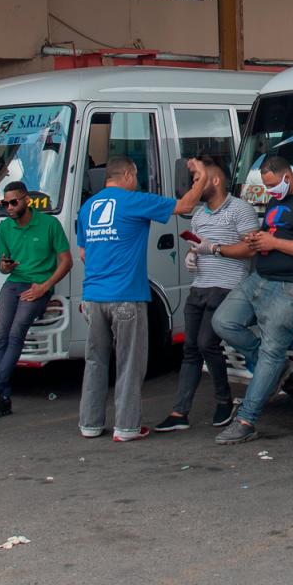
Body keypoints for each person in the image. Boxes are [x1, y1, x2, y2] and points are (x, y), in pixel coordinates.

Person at [74, 156, 209, 443]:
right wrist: (201, 179)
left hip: (94, 297)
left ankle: (90, 424)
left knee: (95, 361)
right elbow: (184, 206)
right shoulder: (132, 200)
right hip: (125, 294)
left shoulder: (88, 207)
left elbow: (84, 252)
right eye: (135, 176)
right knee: (129, 362)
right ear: (128, 175)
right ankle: (126, 427)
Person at [212, 155, 293, 446]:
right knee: (223, 322)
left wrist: (274, 242)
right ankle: (274, 368)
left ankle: (246, 420)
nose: (269, 192)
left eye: (273, 185)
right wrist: (258, 240)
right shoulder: (277, 201)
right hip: (261, 278)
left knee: (272, 349)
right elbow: (274, 234)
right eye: (265, 186)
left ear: (287, 177)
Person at [154, 157, 255, 433]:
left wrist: (215, 249)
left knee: (206, 343)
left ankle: (224, 400)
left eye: (200, 179)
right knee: (190, 349)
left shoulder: (240, 209)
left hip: (227, 286)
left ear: (216, 180)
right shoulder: (198, 214)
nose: (195, 185)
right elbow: (197, 246)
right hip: (199, 287)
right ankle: (179, 412)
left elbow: (251, 249)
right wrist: (192, 256)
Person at [0, 180, 73, 420]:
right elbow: (3, 268)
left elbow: (66, 261)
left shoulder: (49, 224)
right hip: (14, 283)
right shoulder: (4, 228)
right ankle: (2, 397)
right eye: (5, 203)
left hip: (38, 285)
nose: (8, 207)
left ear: (26, 200)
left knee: (16, 331)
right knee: (0, 335)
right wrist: (4, 265)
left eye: (13, 202)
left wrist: (44, 287)